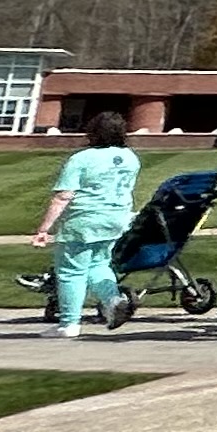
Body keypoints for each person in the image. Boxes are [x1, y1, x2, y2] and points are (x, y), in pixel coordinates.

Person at [32, 110, 142, 332]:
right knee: (99, 264)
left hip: (84, 220)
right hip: (116, 218)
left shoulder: (82, 158)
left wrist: (44, 229)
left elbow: (64, 196)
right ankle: (113, 300)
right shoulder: (131, 158)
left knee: (71, 272)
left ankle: (69, 323)